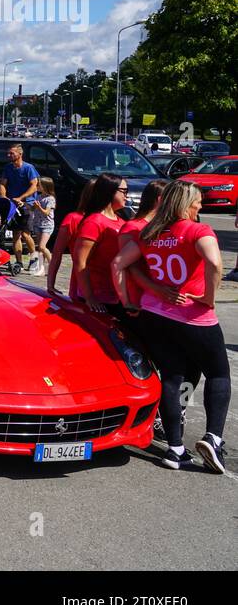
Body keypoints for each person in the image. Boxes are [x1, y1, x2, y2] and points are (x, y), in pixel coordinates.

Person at [113, 181, 228, 473]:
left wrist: (131, 299)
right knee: (217, 373)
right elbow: (215, 263)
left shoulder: (150, 232)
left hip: (155, 315)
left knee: (172, 376)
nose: (200, 207)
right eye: (197, 202)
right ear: (184, 203)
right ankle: (213, 439)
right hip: (192, 315)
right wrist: (208, 298)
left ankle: (175, 448)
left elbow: (119, 264)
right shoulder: (197, 230)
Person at [70, 172, 126, 316]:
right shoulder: (94, 222)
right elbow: (80, 261)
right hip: (99, 298)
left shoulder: (120, 221)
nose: (127, 195)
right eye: (124, 191)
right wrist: (89, 297)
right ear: (110, 191)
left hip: (116, 295)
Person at [46, 180, 94, 298]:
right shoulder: (74, 219)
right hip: (82, 287)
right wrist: (50, 285)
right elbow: (57, 253)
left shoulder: (117, 220)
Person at [0, 144, 40, 272]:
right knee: (15, 234)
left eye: (11, 153)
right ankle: (19, 262)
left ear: (19, 154)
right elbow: (2, 184)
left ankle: (34, 258)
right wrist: (4, 197)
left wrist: (21, 198)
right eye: (8, 153)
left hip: (27, 204)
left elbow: (34, 186)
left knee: (25, 233)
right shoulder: (8, 168)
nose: (9, 155)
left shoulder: (28, 168)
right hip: (13, 204)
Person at [29, 177, 57, 275]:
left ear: (45, 186)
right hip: (38, 224)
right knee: (40, 248)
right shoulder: (39, 197)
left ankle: (52, 265)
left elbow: (46, 212)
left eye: (39, 185)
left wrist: (39, 206)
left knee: (42, 246)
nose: (37, 187)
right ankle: (41, 268)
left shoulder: (51, 199)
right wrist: (27, 205)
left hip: (47, 225)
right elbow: (33, 209)